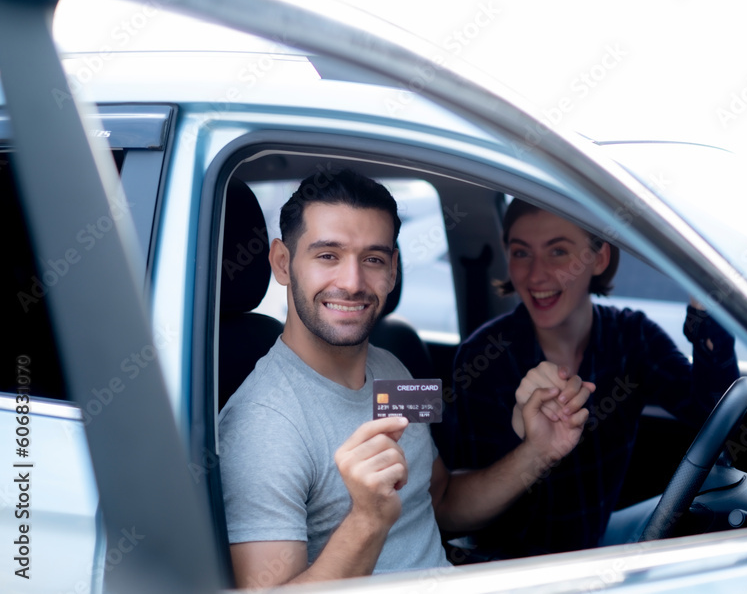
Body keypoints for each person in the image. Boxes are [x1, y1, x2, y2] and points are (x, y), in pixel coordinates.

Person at [219, 171, 592, 588]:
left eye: (373, 259)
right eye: (328, 256)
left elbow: (440, 500)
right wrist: (368, 519)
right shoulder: (261, 423)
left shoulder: (394, 369)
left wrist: (539, 451)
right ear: (283, 263)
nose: (353, 282)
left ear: (393, 269)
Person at [439, 198, 739, 558]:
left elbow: (715, 416)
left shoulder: (632, 337)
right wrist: (524, 441)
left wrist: (706, 310)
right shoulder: (484, 356)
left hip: (598, 541)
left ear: (599, 258)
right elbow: (465, 512)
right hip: (516, 568)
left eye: (558, 252)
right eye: (521, 253)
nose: (536, 275)